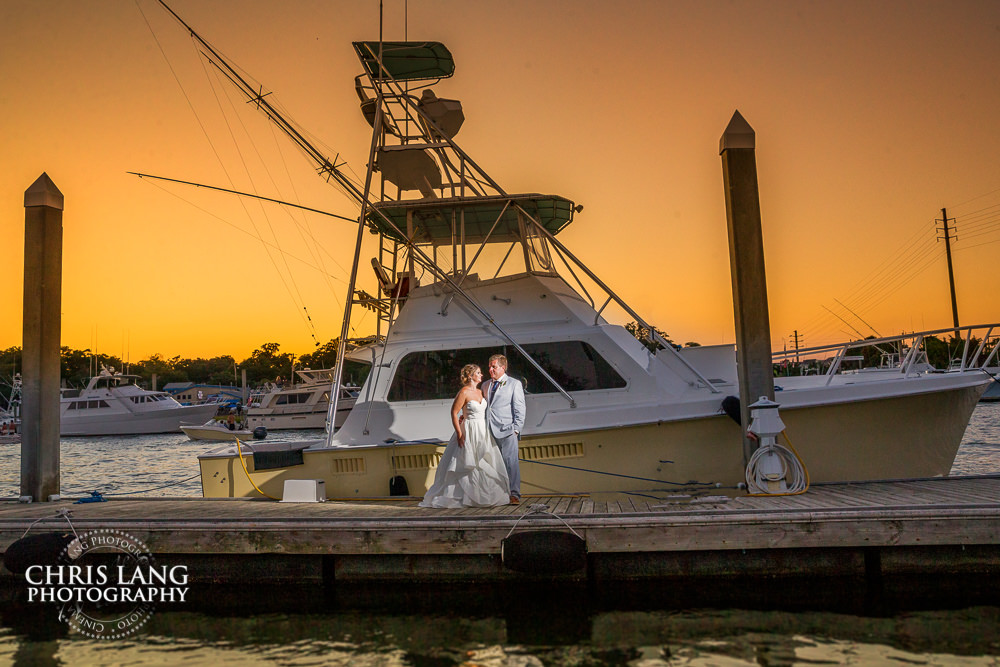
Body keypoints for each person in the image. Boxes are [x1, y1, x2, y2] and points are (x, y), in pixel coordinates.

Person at [419, 364, 511, 508]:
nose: (482, 375)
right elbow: (454, 413)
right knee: (466, 463)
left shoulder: (481, 392)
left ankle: (482, 494)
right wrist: (460, 433)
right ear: (470, 376)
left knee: (484, 461)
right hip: (468, 430)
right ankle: (461, 496)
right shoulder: (464, 392)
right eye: (479, 373)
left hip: (482, 430)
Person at [482, 354, 525, 504]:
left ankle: (514, 494)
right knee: (494, 463)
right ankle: (500, 493)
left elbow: (520, 407)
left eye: (494, 366)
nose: (490, 369)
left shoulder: (514, 384)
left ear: (503, 367)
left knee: (511, 463)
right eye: (489, 367)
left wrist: (516, 429)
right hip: (489, 431)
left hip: (508, 430)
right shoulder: (485, 385)